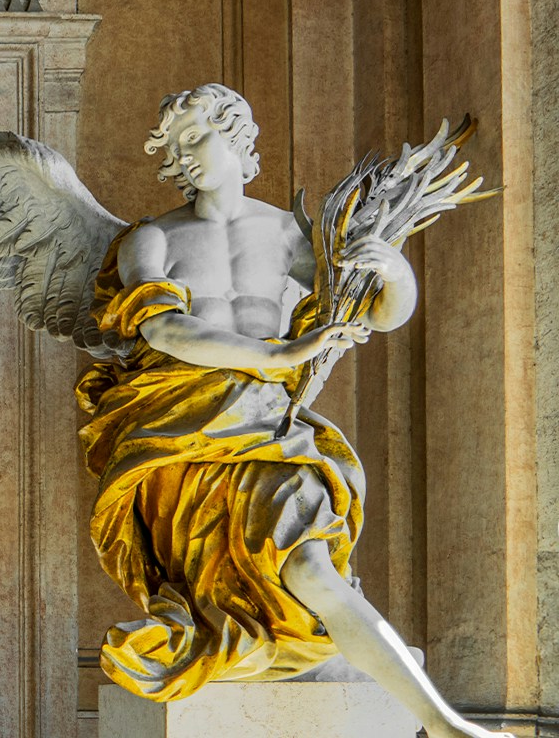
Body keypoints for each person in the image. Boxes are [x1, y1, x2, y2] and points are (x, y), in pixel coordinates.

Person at [76, 83, 511, 738]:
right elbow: (166, 333)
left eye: (198, 138)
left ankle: (443, 723)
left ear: (238, 139)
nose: (185, 155)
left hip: (268, 430)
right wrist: (284, 354)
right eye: (175, 145)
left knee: (313, 566)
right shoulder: (150, 240)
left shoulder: (289, 234)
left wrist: (393, 274)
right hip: (178, 442)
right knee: (225, 594)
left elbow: (374, 313)